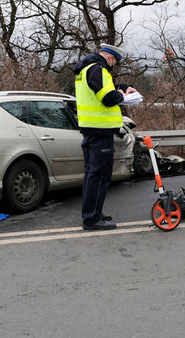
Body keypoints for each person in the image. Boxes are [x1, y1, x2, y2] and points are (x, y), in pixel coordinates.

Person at [73, 43, 138, 230]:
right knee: (99, 175)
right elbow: (108, 98)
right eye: (115, 62)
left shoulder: (86, 69)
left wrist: (123, 87)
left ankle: (94, 213)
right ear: (110, 58)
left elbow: (102, 90)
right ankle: (92, 218)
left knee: (93, 174)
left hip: (92, 130)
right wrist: (120, 95)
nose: (114, 66)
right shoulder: (98, 69)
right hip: (100, 131)